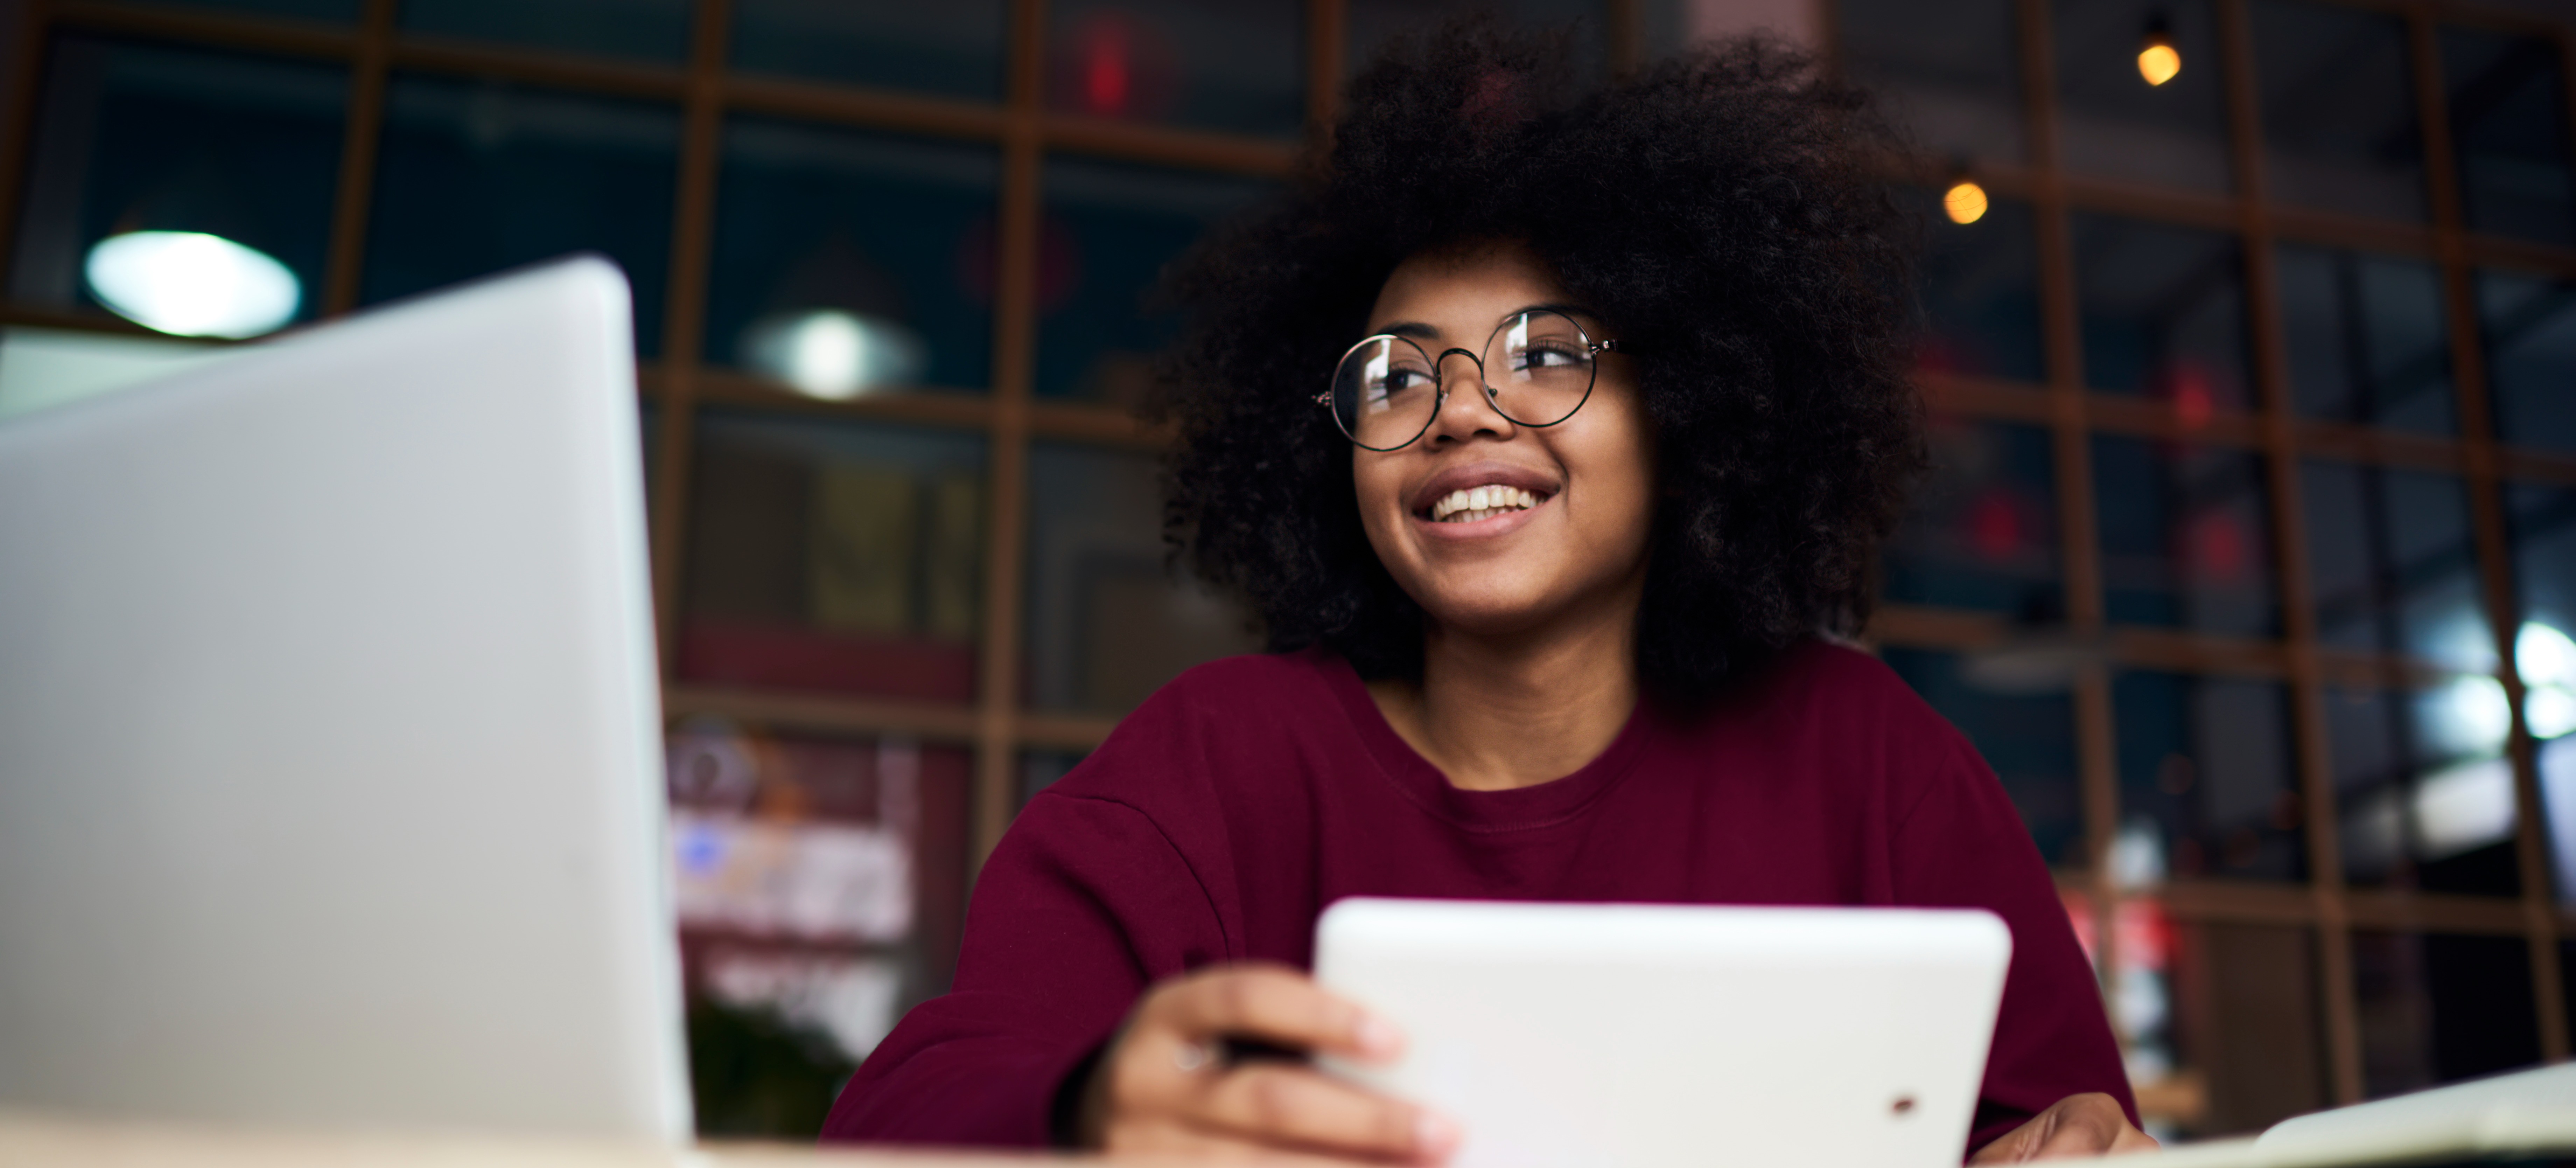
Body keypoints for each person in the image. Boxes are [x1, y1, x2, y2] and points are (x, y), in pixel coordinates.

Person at [822, 20, 2153, 1165]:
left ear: (1684, 405)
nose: (1460, 413)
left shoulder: (1866, 760)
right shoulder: (1218, 765)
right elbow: (899, 1117)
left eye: (1546, 355)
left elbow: (2073, 1126)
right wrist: (1086, 1116)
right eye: (1397, 375)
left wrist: (2086, 1138)